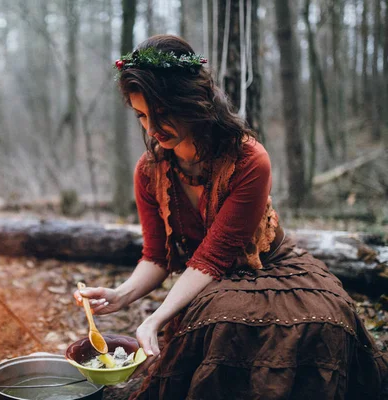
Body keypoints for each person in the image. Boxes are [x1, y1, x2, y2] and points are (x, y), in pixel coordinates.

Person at [74, 35, 387, 399]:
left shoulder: (249, 160)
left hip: (270, 266)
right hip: (207, 279)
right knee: (225, 324)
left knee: (323, 323)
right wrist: (121, 294)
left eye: (162, 114)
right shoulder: (149, 171)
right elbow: (157, 256)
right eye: (142, 116)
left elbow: (214, 256)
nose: (152, 129)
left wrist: (158, 316)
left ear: (192, 103)